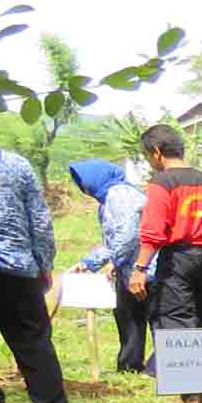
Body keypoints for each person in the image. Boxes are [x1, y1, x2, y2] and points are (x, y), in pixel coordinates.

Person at [0, 143, 72, 403]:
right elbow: (39, 220)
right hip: (17, 266)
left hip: (15, 264)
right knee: (32, 337)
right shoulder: (16, 164)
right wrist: (45, 263)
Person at [130, 125, 202, 352]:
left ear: (156, 152)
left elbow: (153, 232)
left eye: (148, 156)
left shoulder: (161, 183)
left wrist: (139, 269)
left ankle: (189, 384)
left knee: (176, 321)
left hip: (179, 260)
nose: (149, 161)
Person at [68, 159, 151, 373]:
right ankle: (130, 366)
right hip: (128, 265)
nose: (83, 188)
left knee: (149, 316)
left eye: (83, 182)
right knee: (127, 314)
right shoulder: (110, 197)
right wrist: (116, 260)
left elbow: (127, 236)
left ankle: (159, 367)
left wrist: (94, 261)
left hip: (144, 267)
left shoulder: (119, 195)